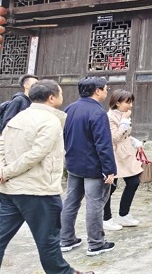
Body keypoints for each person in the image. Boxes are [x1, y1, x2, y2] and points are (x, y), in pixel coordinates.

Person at [0, 80, 94, 274]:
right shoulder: (50, 121)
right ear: (52, 97)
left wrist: (3, 170)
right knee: (48, 241)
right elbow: (36, 154)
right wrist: (6, 172)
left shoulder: (18, 117)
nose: (62, 96)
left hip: (10, 190)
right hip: (38, 190)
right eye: (60, 93)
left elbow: (2, 145)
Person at [61, 77, 117, 257]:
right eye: (106, 88)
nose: (107, 91)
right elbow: (103, 144)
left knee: (71, 201)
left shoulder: (70, 108)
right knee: (95, 204)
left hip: (73, 163)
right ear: (97, 90)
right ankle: (96, 243)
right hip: (93, 166)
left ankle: (65, 239)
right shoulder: (98, 112)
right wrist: (109, 169)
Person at [103, 89, 144, 231]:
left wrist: (134, 142)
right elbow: (114, 137)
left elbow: (125, 135)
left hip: (126, 153)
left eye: (131, 102)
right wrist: (125, 121)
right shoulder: (110, 117)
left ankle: (123, 214)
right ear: (117, 103)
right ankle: (106, 218)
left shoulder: (124, 114)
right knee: (110, 187)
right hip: (114, 155)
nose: (130, 105)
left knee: (133, 182)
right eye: (128, 102)